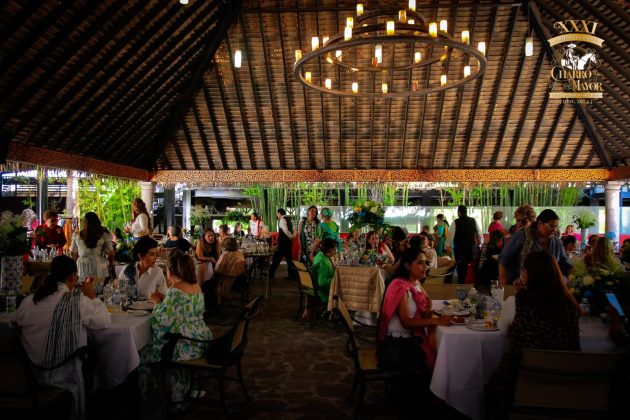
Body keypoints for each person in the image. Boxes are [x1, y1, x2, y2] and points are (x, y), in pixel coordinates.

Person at [12, 255, 110, 420]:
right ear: (73, 277)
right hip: (61, 374)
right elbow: (104, 321)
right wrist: (92, 296)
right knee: (99, 359)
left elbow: (14, 323)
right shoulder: (77, 302)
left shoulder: (29, 301)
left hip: (30, 374)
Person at [488, 251, 580, 417]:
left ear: (528, 274)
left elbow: (502, 329)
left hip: (522, 383)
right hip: (567, 384)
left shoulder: (518, 303)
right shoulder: (570, 305)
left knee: (489, 388)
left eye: (523, 269)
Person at [139, 251, 212, 406]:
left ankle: (149, 396)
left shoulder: (176, 289)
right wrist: (165, 300)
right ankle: (183, 391)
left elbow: (163, 320)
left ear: (170, 271)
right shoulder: (195, 285)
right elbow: (183, 310)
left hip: (186, 344)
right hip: (201, 339)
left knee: (142, 353)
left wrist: (155, 302)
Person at [378, 247, 455, 377]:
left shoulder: (415, 282)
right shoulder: (400, 286)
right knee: (442, 353)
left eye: (426, 262)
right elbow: (406, 322)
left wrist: (428, 308)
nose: (425, 266)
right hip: (398, 343)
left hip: (409, 337)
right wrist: (434, 320)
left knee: (444, 348)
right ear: (407, 266)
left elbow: (427, 299)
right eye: (420, 263)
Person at [498, 209, 572, 285]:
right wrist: (503, 279)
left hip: (546, 287)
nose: (554, 230)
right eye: (551, 226)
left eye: (556, 226)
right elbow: (504, 258)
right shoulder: (523, 236)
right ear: (540, 223)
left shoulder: (556, 242)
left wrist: (574, 272)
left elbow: (563, 262)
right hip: (519, 285)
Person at [118, 236, 167, 302]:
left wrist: (157, 297)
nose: (155, 257)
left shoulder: (157, 272)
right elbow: (120, 293)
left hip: (149, 310)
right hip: (128, 310)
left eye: (156, 254)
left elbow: (164, 297)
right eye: (152, 254)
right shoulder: (126, 270)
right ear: (140, 256)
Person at [70, 212, 114, 281]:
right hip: (99, 264)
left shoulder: (77, 235)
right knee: (99, 287)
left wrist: (74, 268)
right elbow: (111, 252)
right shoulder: (104, 235)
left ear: (84, 223)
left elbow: (73, 253)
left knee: (83, 287)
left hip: (82, 265)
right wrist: (111, 263)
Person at [445, 205, 483, 284]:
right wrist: (479, 245)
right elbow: (479, 234)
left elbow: (450, 236)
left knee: (461, 268)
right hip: (471, 249)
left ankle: (461, 283)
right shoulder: (474, 221)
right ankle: (471, 284)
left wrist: (447, 246)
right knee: (470, 268)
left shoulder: (455, 222)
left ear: (459, 212)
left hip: (459, 249)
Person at [213, 237, 247, 302]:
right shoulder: (240, 254)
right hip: (240, 281)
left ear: (226, 245)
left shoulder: (225, 255)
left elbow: (217, 270)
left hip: (229, 283)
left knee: (207, 283)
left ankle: (212, 303)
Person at [269, 208, 297, 280]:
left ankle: (270, 274)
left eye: (277, 214)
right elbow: (294, 229)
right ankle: (292, 275)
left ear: (279, 213)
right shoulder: (289, 219)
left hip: (283, 243)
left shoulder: (282, 219)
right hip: (288, 243)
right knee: (288, 259)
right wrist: (293, 236)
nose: (277, 215)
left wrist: (290, 236)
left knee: (277, 258)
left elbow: (285, 230)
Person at [311, 237, 337, 307]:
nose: (336, 251)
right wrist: (335, 280)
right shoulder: (323, 263)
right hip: (324, 292)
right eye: (334, 249)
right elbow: (322, 282)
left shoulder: (320, 255)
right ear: (329, 250)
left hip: (319, 288)